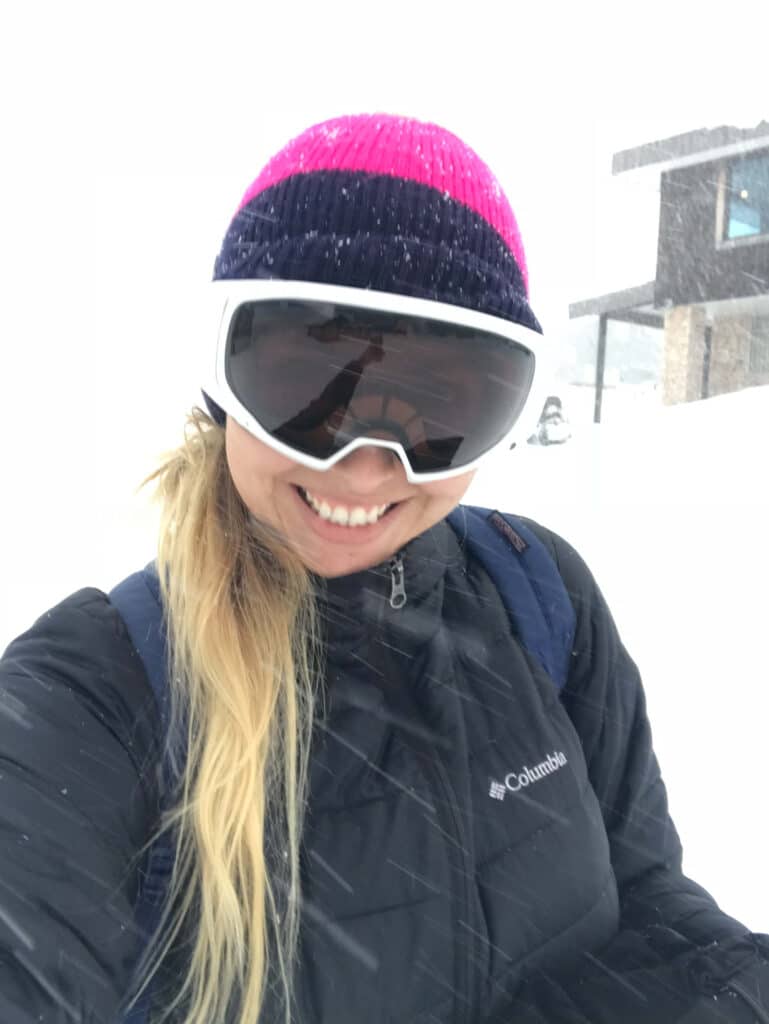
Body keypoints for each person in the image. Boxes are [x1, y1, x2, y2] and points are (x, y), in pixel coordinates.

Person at [1, 113, 767, 1024]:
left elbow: (647, 908)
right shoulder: (93, 696)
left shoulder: (537, 596)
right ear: (222, 383)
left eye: (438, 406)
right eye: (308, 391)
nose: (366, 468)